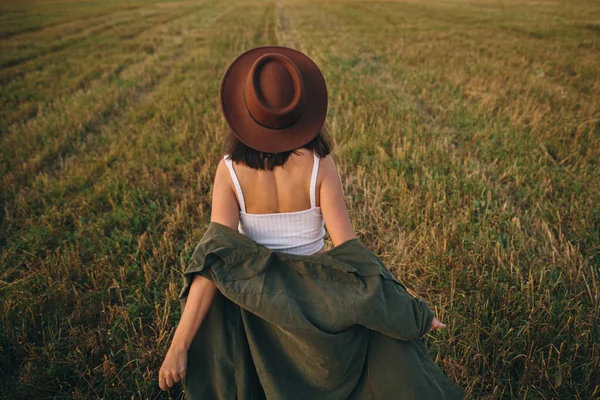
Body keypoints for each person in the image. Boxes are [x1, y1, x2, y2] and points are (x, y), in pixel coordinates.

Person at [159, 46, 454, 397]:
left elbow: (215, 261)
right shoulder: (319, 164)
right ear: (302, 112)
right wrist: (407, 309)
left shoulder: (230, 171)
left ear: (244, 114)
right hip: (315, 305)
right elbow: (352, 254)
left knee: (223, 314)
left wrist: (179, 347)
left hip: (255, 311)